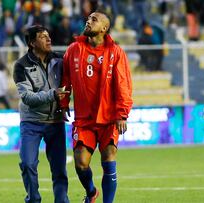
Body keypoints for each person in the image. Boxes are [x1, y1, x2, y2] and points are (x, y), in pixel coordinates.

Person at [60, 10, 133, 203]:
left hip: (109, 118)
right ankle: (92, 192)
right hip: (84, 119)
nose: (89, 20)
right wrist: (63, 102)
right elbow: (65, 79)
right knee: (81, 163)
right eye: (88, 18)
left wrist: (122, 114)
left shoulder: (116, 52)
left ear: (104, 28)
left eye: (94, 19)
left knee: (108, 157)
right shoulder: (73, 49)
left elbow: (123, 84)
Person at [13, 25, 70, 203]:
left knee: (59, 169)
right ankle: (33, 199)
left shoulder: (60, 60)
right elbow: (27, 97)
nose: (48, 39)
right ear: (32, 43)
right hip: (31, 122)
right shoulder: (21, 65)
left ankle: (62, 201)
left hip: (56, 121)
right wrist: (53, 94)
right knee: (28, 164)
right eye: (42, 36)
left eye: (48, 35)